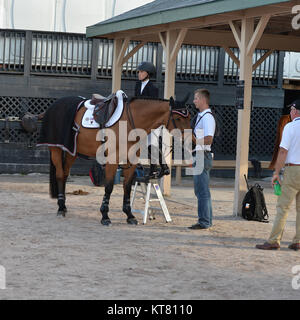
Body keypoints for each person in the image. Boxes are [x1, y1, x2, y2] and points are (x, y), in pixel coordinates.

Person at [256, 100, 300, 250]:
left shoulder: (290, 126)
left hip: (293, 170)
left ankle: (274, 240)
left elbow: (283, 151)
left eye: (292, 109)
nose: (291, 112)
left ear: (295, 111)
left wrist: (276, 173)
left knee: (283, 207)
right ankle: (298, 241)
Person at [135, 61, 169, 178]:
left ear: (148, 74)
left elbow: (153, 107)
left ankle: (157, 169)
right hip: (142, 120)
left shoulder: (153, 88)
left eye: (141, 72)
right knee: (149, 145)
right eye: (139, 71)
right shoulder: (137, 85)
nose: (139, 74)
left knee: (152, 144)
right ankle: (162, 168)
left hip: (152, 120)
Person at [189, 89, 216, 230]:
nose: (194, 101)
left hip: (202, 155)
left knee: (201, 191)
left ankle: (204, 221)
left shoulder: (207, 117)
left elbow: (209, 139)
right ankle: (206, 220)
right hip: (200, 154)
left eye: (196, 98)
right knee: (202, 190)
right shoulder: (202, 116)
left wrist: (192, 139)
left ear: (203, 100)